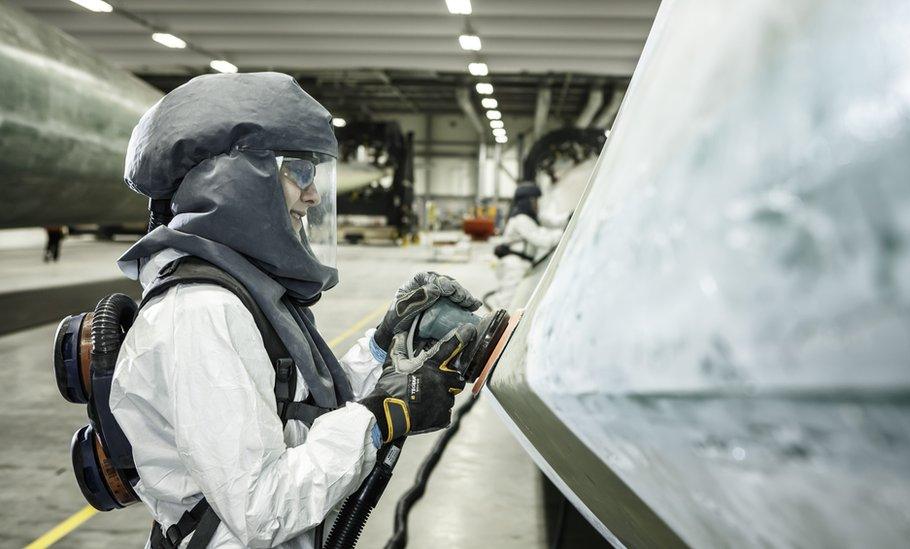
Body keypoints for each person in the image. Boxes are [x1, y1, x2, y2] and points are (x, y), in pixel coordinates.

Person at [109, 73, 480, 548]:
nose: (314, 195)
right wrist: (380, 417)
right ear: (238, 180)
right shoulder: (201, 313)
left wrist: (383, 345)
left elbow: (297, 420)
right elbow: (262, 509)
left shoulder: (242, 291)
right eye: (299, 172)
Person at [491, 181, 567, 308]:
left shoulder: (530, 217)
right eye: (534, 200)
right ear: (527, 201)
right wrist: (563, 234)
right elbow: (542, 240)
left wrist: (569, 217)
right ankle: (498, 326)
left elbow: (552, 221)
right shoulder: (521, 219)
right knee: (506, 301)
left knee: (514, 300)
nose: (537, 204)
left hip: (521, 264)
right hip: (513, 265)